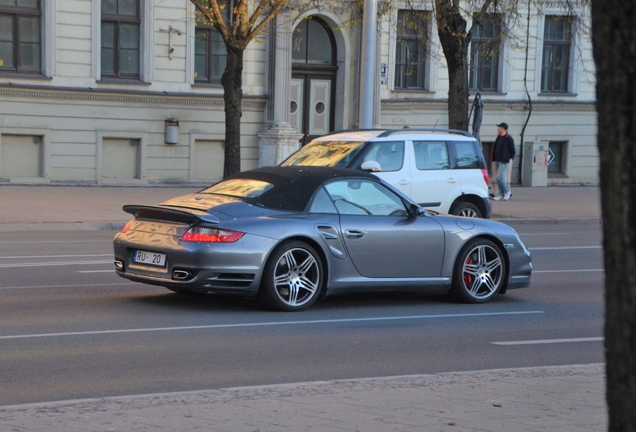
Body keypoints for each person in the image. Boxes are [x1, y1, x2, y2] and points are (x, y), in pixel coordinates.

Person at [491, 122, 515, 201]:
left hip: (504, 160)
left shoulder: (509, 139)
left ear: (504, 129)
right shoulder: (499, 138)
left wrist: (508, 157)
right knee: (498, 178)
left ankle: (507, 192)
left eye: (500, 127)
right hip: (497, 159)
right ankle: (501, 194)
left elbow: (512, 151)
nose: (498, 129)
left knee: (500, 176)